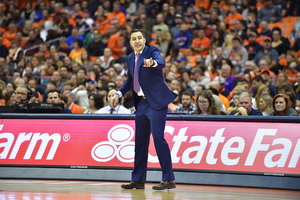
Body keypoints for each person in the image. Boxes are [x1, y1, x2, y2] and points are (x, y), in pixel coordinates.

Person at [110, 29, 177, 190]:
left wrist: (152, 63)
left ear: (145, 40)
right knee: (140, 143)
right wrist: (118, 93)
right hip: (141, 104)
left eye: (140, 38)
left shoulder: (151, 50)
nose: (137, 41)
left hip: (155, 103)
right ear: (130, 42)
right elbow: (130, 80)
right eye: (134, 39)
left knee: (159, 139)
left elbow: (161, 62)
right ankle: (138, 180)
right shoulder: (130, 57)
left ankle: (169, 179)